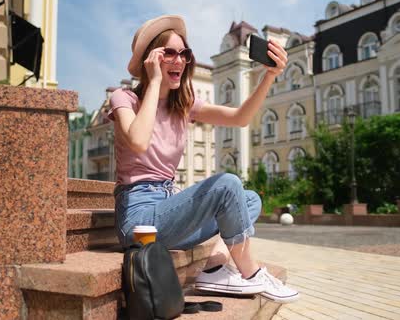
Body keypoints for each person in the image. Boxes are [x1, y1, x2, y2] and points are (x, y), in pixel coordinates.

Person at [108, 15, 299, 303]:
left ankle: (216, 266)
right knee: (226, 184)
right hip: (138, 221)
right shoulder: (124, 98)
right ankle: (251, 272)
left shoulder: (183, 106)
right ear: (150, 59)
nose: (180, 60)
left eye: (184, 53)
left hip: (169, 213)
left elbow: (240, 118)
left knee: (248, 200)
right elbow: (137, 140)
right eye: (169, 53)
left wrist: (268, 77)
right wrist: (154, 83)